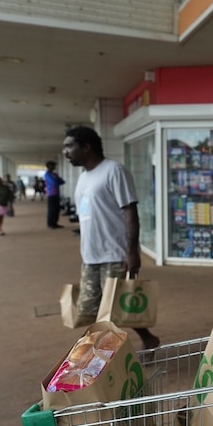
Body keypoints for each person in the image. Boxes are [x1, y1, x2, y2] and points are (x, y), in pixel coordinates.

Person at [63, 125, 160, 350]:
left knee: (113, 309)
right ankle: (147, 338)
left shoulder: (113, 170)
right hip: (90, 254)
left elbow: (130, 212)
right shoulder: (84, 177)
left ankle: (108, 355)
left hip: (115, 252)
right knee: (90, 308)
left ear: (86, 147)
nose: (65, 152)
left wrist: (132, 250)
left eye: (69, 146)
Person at [44, 160, 65, 229]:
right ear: (49, 166)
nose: (54, 167)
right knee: (52, 209)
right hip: (51, 194)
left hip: (56, 194)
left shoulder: (54, 174)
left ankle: (55, 223)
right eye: (53, 165)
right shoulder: (47, 174)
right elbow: (54, 182)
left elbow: (62, 181)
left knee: (56, 209)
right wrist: (57, 180)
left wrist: (57, 180)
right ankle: (50, 223)